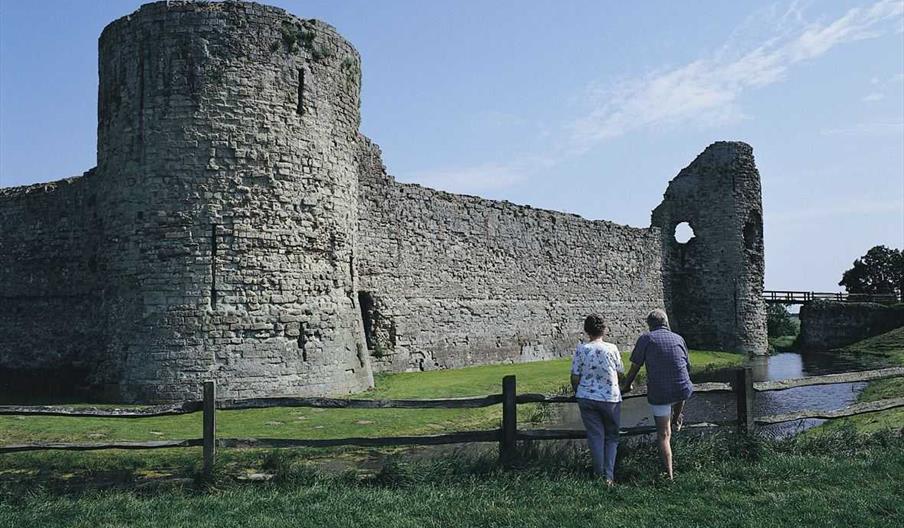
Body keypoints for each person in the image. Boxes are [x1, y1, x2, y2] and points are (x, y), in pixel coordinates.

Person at [620, 309, 692, 480]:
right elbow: (687, 366)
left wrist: (627, 385)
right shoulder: (678, 338)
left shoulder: (646, 338)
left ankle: (669, 475)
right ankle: (677, 417)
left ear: (649, 324)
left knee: (664, 435)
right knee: (680, 391)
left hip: (659, 392)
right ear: (666, 322)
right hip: (682, 388)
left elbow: (635, 367)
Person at [570, 313, 624, 486]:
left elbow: (575, 376)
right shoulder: (612, 348)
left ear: (587, 331)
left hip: (587, 397)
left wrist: (578, 391)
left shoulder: (582, 349)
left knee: (596, 437)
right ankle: (608, 477)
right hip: (610, 398)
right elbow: (620, 372)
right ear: (604, 329)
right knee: (612, 437)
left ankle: (598, 474)